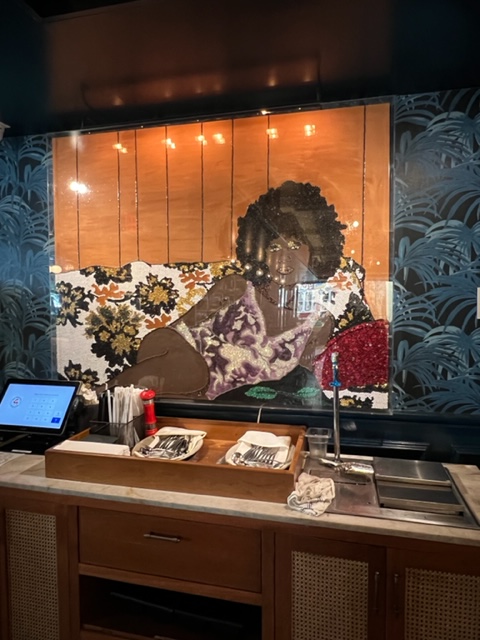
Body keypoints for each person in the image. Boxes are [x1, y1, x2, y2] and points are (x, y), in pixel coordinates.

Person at [108, 181, 376, 405]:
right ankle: (102, 402)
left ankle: (110, 402)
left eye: (295, 245)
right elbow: (172, 336)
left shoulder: (319, 322)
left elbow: (302, 387)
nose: (284, 257)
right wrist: (190, 369)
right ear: (260, 252)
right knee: (191, 369)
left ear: (316, 252)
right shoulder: (236, 287)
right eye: (273, 247)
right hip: (174, 372)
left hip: (230, 409)